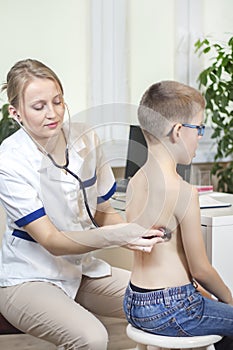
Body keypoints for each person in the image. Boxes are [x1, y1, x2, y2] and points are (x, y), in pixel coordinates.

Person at [0, 59, 164, 350]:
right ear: (16, 113)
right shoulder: (10, 158)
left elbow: (104, 213)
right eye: (39, 107)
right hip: (28, 276)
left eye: (58, 101)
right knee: (91, 338)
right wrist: (115, 236)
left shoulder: (85, 138)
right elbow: (51, 241)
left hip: (81, 269)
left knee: (161, 301)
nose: (53, 113)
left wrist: (136, 234)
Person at [123, 80, 233, 340]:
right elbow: (200, 269)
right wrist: (228, 298)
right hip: (172, 308)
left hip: (134, 301)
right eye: (199, 128)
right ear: (178, 131)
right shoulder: (182, 191)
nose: (199, 137)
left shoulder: (135, 182)